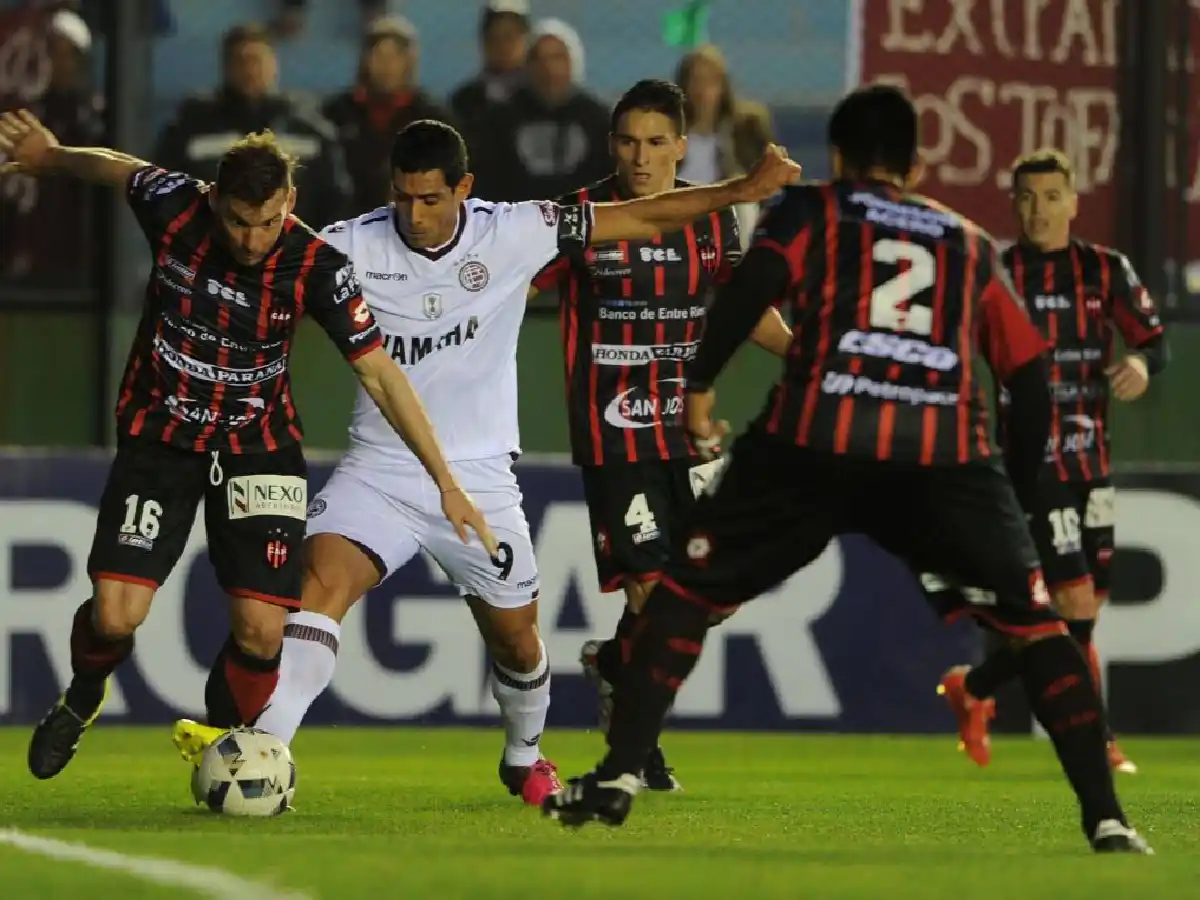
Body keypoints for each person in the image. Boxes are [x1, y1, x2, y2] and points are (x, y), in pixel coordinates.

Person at [541, 85, 1151, 854]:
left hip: (814, 440)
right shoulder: (963, 238)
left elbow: (745, 293)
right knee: (1038, 626)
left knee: (688, 593)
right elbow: (1028, 375)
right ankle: (1107, 818)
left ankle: (620, 772)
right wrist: (1020, 491)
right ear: (917, 163)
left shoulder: (813, 211)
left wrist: (697, 391)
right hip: (940, 453)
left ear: (836, 155)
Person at [169, 119, 802, 805]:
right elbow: (254, 279)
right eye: (403, 197)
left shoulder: (516, 231)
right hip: (380, 470)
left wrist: (739, 190)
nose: (415, 214)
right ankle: (269, 752)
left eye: (431, 199)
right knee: (319, 587)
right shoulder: (347, 246)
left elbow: (644, 214)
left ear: (463, 189)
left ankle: (523, 756)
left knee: (519, 645)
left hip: (481, 480)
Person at [0, 110, 492, 781]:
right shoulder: (174, 206)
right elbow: (116, 167)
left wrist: (447, 481)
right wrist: (51, 155)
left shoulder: (318, 265)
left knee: (264, 629)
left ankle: (222, 743)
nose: (252, 239)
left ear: (289, 202)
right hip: (162, 434)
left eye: (266, 222)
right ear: (213, 200)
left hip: (255, 446)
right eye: (237, 221)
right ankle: (84, 695)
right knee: (116, 615)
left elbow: (380, 371)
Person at [531, 79, 792, 791]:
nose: (640, 158)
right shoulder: (583, 217)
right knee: (651, 590)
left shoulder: (709, 221)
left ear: (682, 145)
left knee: (708, 594)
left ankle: (617, 665)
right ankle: (637, 753)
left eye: (655, 143)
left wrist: (806, 358)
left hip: (684, 434)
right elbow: (516, 287)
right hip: (613, 435)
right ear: (610, 145)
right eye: (626, 142)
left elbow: (743, 306)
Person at [937, 148, 1167, 775]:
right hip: (1029, 467)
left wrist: (1143, 365)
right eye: (1027, 198)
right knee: (1074, 608)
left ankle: (977, 685)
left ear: (1073, 201)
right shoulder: (996, 273)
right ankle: (1097, 738)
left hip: (1092, 463)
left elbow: (1153, 340)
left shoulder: (1104, 270)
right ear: (1013, 204)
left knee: (1077, 609)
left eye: (1050, 197)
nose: (1039, 210)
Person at [155, 23, 350, 228]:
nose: (249, 70)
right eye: (240, 61)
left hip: (294, 253)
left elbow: (335, 198)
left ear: (274, 64)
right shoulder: (191, 127)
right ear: (225, 66)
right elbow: (165, 193)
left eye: (256, 60)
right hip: (210, 250)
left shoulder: (309, 129)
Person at [321, 16, 454, 213]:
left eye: (395, 57)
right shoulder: (337, 112)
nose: (386, 65)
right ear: (365, 60)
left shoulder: (432, 115)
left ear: (408, 62)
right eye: (379, 56)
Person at [469, 18, 608, 202]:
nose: (548, 67)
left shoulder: (596, 119)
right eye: (539, 58)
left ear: (573, 62)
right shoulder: (500, 120)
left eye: (557, 57)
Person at [449, 1, 530, 127]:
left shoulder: (542, 96)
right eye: (494, 37)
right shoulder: (464, 101)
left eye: (509, 36)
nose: (503, 46)